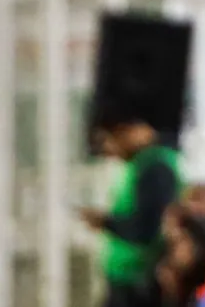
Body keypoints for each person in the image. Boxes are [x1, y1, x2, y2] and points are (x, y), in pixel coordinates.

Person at [80, 111, 182, 307]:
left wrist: (107, 223)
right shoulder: (141, 165)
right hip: (129, 279)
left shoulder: (155, 167)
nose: (110, 149)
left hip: (138, 281)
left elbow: (147, 229)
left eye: (112, 139)